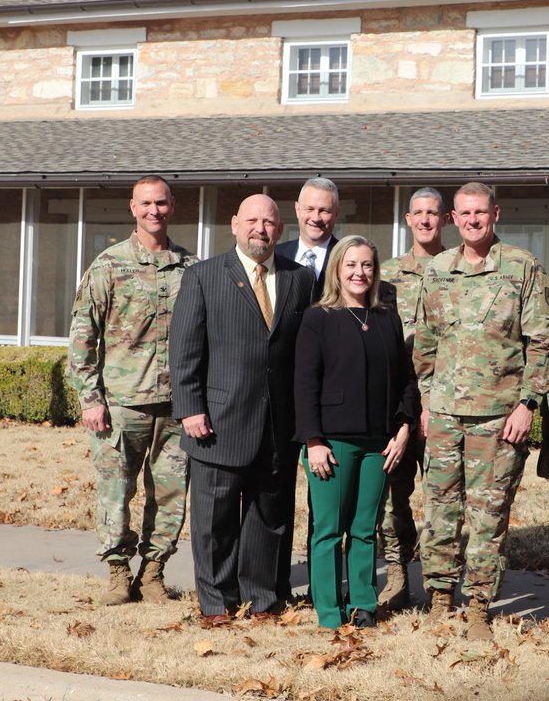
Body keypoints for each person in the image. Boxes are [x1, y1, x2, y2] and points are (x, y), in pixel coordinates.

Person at [413, 182, 549, 640]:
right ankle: (440, 597)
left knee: (488, 515)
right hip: (444, 414)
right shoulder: (438, 270)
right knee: (439, 509)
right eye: (464, 213)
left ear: (495, 214)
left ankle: (478, 604)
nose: (473, 220)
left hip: (500, 417)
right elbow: (426, 343)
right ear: (453, 219)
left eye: (480, 212)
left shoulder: (522, 267)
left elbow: (545, 341)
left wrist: (528, 404)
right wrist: (425, 402)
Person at [170, 194, 314, 622]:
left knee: (268, 517)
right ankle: (217, 603)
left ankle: (263, 598)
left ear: (280, 229)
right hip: (216, 420)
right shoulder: (203, 276)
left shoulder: (300, 279)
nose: (260, 229)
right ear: (235, 224)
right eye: (252, 220)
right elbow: (184, 349)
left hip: (278, 424)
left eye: (268, 222)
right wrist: (190, 408)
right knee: (214, 519)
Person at [66, 175, 196, 606]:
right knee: (116, 494)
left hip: (176, 406)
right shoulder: (108, 265)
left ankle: (153, 573)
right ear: (133, 207)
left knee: (171, 496)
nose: (154, 210)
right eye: (146, 203)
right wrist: (91, 399)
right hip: (122, 405)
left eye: (161, 203)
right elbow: (82, 337)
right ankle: (118, 574)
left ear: (172, 206)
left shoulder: (191, 268)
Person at [295, 235, 420, 629]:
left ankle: (363, 605)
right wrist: (313, 440)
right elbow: (304, 384)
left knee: (365, 529)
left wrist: (404, 426)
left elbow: (406, 380)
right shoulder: (318, 318)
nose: (359, 273)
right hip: (331, 441)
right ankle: (330, 613)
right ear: (337, 269)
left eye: (366, 265)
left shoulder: (387, 318)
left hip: (379, 442)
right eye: (351, 264)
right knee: (329, 530)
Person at [375, 187, 448, 612]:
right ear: (407, 219)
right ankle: (398, 576)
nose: (425, 220)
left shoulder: (459, 269)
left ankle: (440, 586)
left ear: (445, 219)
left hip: (447, 402)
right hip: (396, 402)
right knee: (392, 497)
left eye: (432, 213)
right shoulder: (385, 276)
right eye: (418, 213)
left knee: (443, 499)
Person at [276, 177, 341, 302]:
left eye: (324, 210)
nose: (316, 218)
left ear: (336, 213)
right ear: (297, 209)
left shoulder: (346, 258)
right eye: (310, 209)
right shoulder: (276, 255)